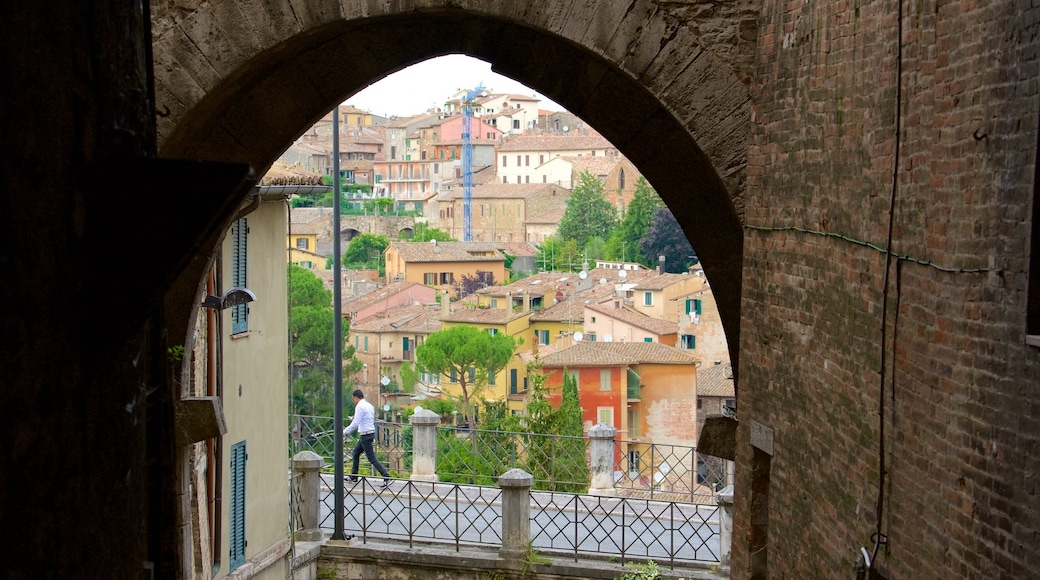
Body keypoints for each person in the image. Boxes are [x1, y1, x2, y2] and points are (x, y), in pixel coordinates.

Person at [342, 389, 391, 487]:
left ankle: (386, 476)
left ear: (356, 397)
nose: (353, 401)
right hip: (370, 433)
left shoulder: (359, 406)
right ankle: (353, 476)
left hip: (365, 435)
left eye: (353, 399)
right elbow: (365, 418)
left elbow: (356, 423)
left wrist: (344, 432)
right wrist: (354, 418)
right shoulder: (369, 406)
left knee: (372, 458)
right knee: (355, 453)